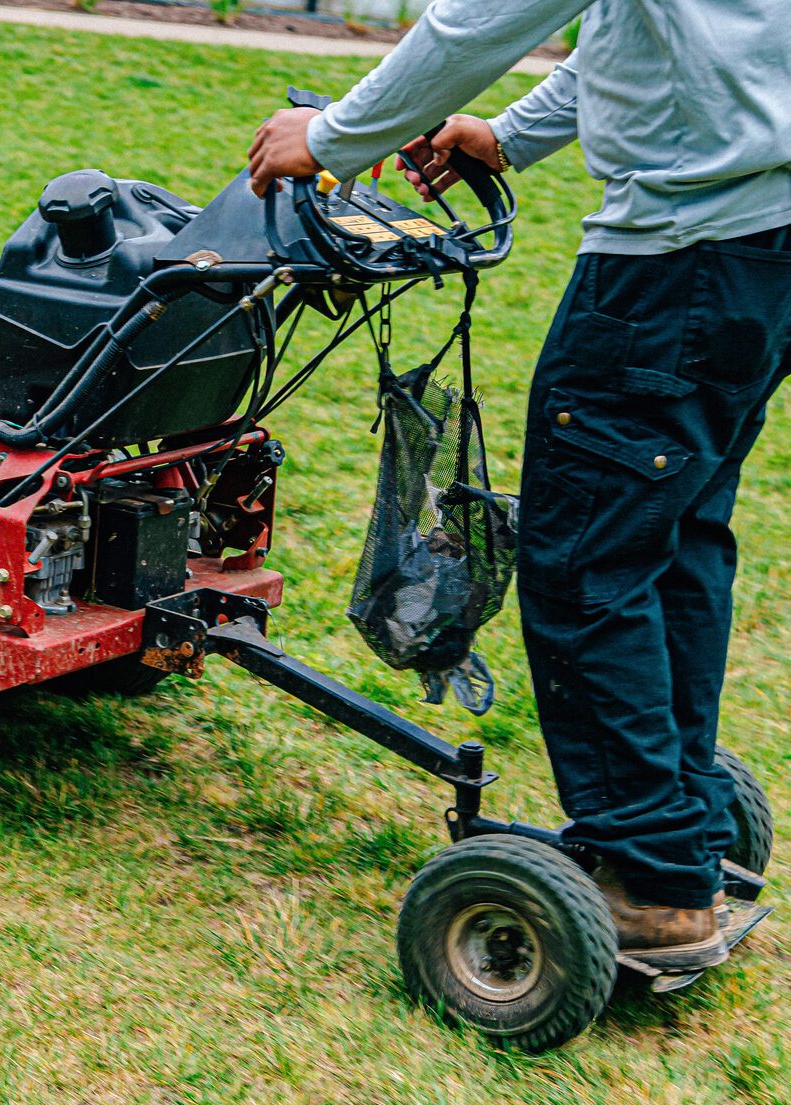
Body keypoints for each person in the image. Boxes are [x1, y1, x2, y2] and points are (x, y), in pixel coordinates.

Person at [247, 1, 790, 969]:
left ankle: (655, 880)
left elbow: (477, 24)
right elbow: (650, 38)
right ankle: (677, 817)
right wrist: (508, 136)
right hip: (765, 254)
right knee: (675, 544)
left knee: (585, 563)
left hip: (674, 263)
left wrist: (330, 139)